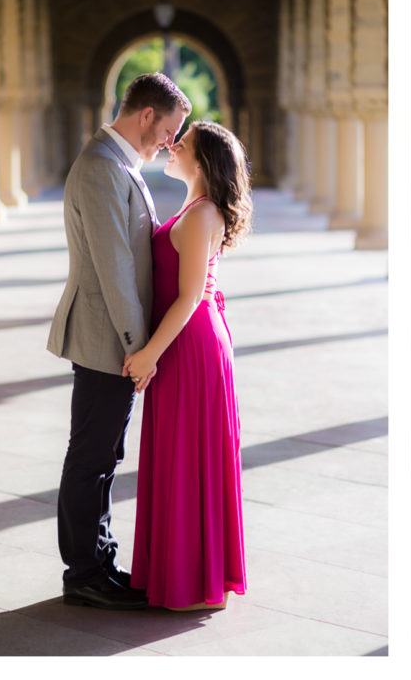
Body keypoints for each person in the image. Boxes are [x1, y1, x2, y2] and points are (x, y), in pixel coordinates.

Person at [48, 73, 191, 609]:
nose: (169, 143)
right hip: (106, 337)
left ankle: (98, 561)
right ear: (147, 114)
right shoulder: (101, 168)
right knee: (91, 456)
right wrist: (140, 349)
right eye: (169, 129)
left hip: (117, 339)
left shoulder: (119, 164)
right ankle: (83, 573)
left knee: (104, 452)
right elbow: (115, 268)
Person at [122, 120, 253, 610]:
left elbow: (191, 296)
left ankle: (193, 582)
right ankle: (184, 573)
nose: (171, 148)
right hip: (186, 342)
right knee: (183, 455)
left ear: (200, 161)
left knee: (188, 455)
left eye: (183, 144)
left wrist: (148, 355)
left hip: (189, 346)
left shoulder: (200, 215)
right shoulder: (195, 207)